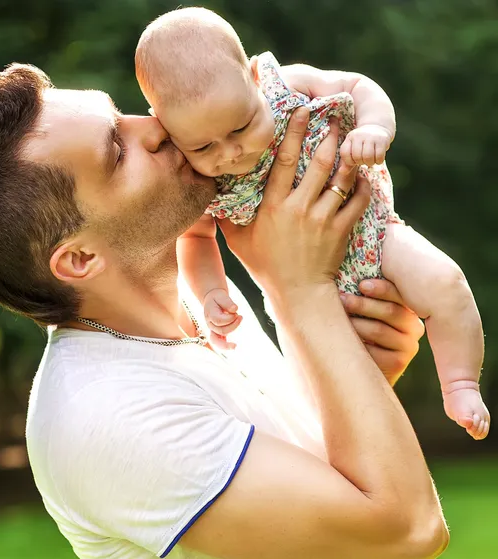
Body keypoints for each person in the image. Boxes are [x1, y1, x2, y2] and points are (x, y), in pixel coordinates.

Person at [0, 62, 448, 559]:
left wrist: (362, 368)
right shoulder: (104, 414)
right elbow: (407, 534)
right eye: (117, 153)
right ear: (78, 259)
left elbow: (327, 475)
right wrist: (302, 290)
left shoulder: (199, 304)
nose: (157, 126)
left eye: (122, 114)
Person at [135, 7, 489, 440]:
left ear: (253, 77)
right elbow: (194, 239)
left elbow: (357, 86)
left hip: (375, 236)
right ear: (164, 125)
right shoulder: (196, 180)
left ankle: (459, 384)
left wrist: (376, 125)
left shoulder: (286, 83)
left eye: (243, 126)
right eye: (204, 146)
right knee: (319, 403)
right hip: (302, 301)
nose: (231, 152)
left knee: (445, 283)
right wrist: (211, 293)